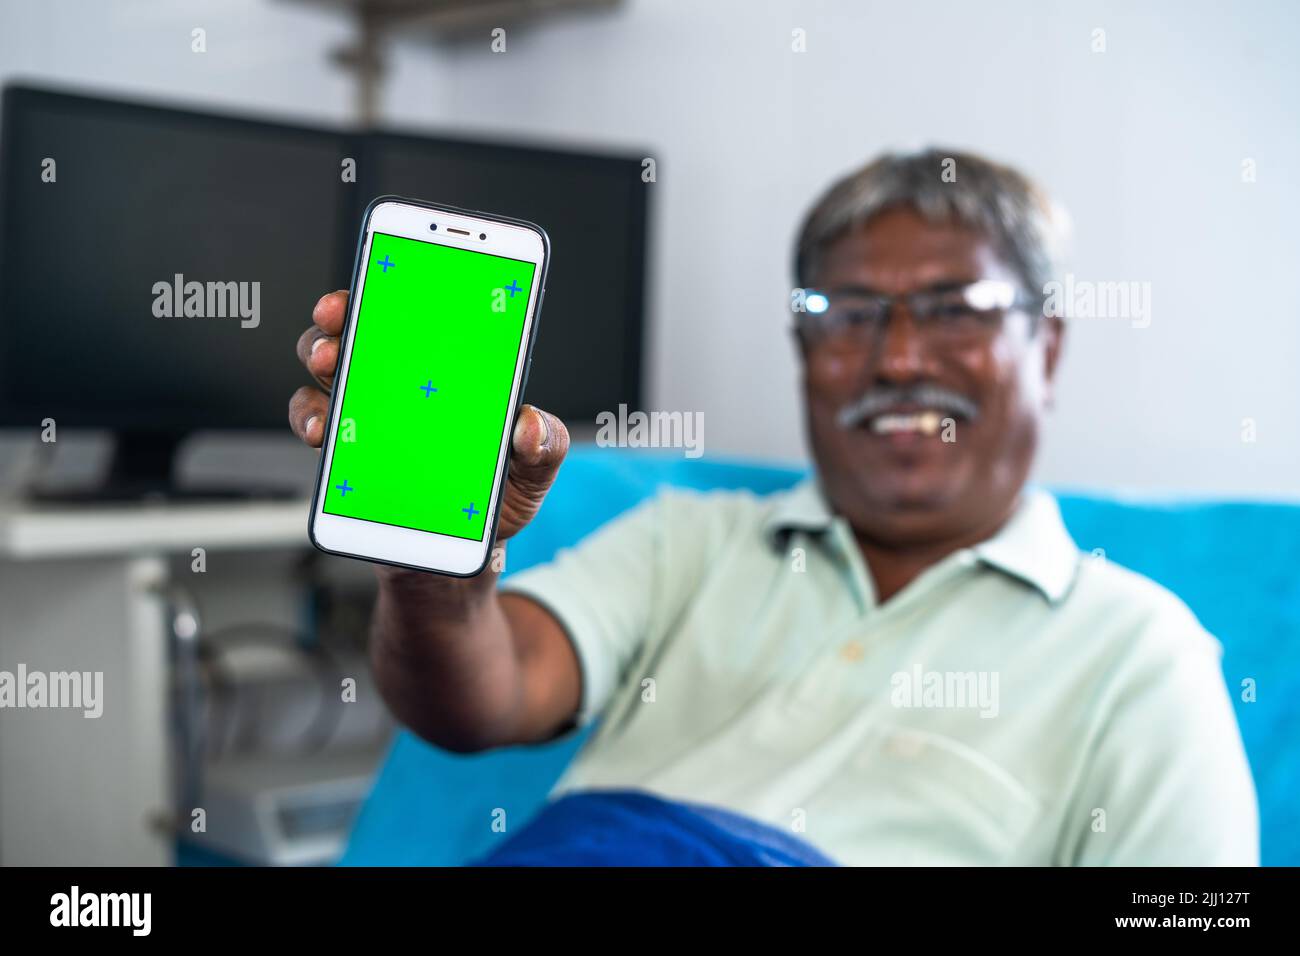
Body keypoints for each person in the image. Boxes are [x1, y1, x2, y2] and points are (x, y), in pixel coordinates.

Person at [288, 148, 1258, 865]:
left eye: (955, 307)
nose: (898, 357)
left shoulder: (1139, 654)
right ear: (803, 351)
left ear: (1044, 347)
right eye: (845, 312)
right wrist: (434, 567)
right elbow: (479, 702)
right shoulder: (687, 538)